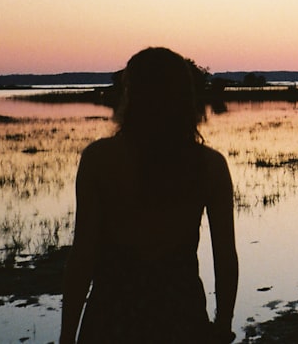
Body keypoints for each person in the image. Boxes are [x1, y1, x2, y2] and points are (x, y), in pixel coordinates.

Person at [60, 47, 239, 344]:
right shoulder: (209, 165)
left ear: (131, 94)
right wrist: (223, 323)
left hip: (112, 317)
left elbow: (82, 256)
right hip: (181, 315)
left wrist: (67, 335)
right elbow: (225, 256)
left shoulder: (99, 160)